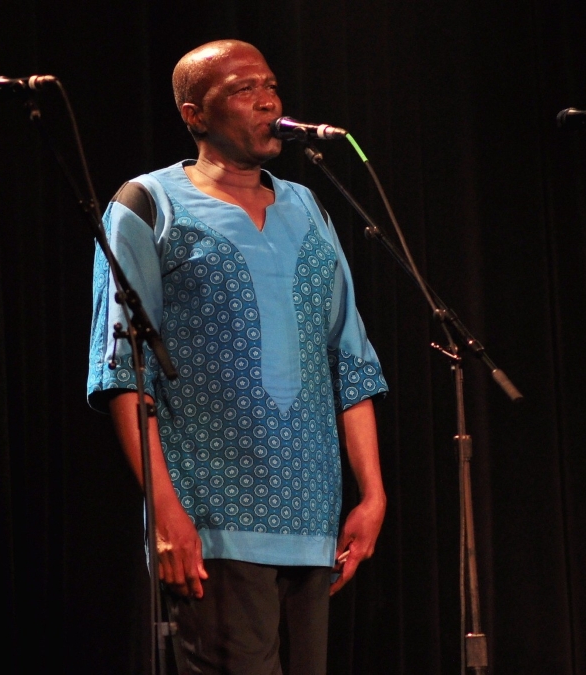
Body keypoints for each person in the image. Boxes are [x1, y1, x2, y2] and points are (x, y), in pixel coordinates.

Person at [86, 39, 388, 675]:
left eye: (270, 84)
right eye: (243, 89)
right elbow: (123, 372)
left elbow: (350, 360)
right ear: (194, 114)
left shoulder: (310, 208)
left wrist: (372, 495)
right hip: (213, 522)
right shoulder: (149, 204)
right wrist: (164, 514)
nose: (268, 100)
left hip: (314, 524)